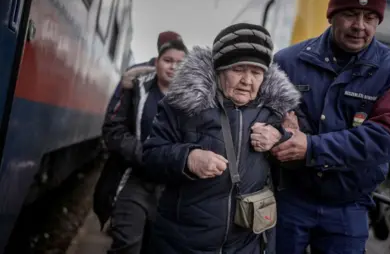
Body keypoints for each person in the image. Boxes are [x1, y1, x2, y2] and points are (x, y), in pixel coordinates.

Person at [267, 0, 390, 253]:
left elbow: (386, 138)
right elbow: (256, 120)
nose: (360, 26)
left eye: (370, 18)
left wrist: (311, 148)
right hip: (288, 199)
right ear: (331, 15)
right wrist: (279, 132)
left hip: (348, 207)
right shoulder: (287, 63)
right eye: (350, 14)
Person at [142, 23, 301, 253]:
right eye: (238, 69)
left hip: (246, 243)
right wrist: (189, 158)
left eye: (256, 73)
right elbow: (150, 156)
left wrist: (281, 138)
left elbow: (294, 166)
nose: (247, 80)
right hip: (183, 242)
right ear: (219, 69)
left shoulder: (274, 111)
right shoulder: (184, 104)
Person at [94, 31, 188, 254]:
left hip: (171, 187)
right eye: (168, 61)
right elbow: (113, 129)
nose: (174, 67)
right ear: (157, 61)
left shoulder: (195, 98)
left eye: (180, 63)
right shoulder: (136, 87)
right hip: (135, 178)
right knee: (127, 244)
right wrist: (144, 155)